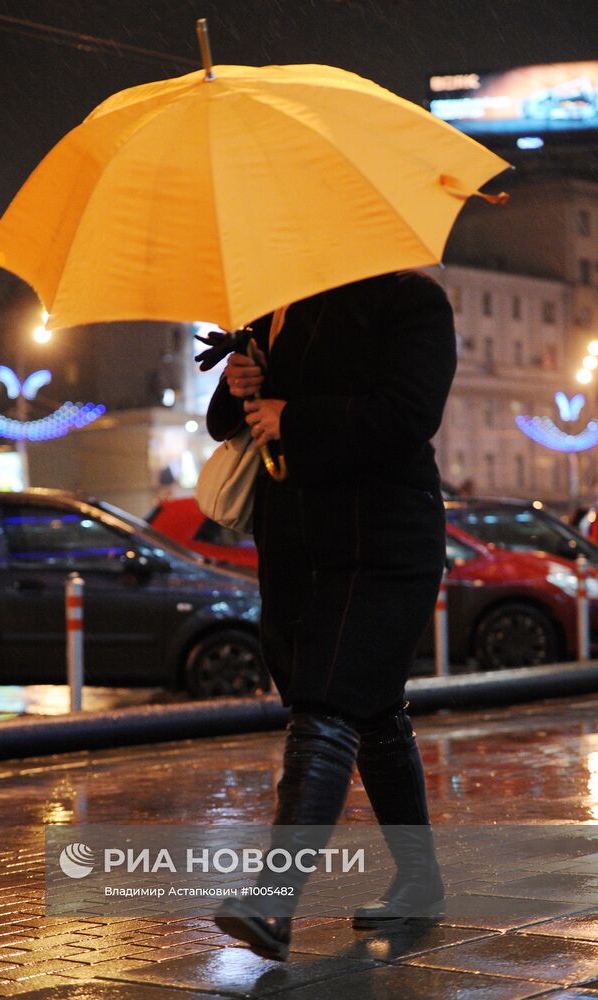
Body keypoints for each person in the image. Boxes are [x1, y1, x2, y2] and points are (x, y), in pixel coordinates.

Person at [205, 269, 457, 961]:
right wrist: (241, 387)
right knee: (368, 707)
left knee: (330, 699)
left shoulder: (410, 300)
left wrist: (295, 417)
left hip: (383, 539)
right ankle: (420, 879)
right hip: (295, 545)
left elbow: (408, 414)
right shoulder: (274, 306)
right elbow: (226, 422)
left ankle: (273, 901)